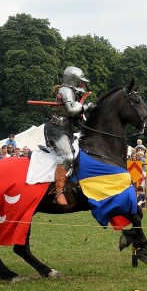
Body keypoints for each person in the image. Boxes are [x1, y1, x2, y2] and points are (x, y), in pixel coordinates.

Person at [44, 65, 94, 205]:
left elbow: (75, 116)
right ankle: (58, 192)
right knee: (67, 156)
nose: (82, 84)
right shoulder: (65, 91)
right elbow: (71, 110)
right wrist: (86, 106)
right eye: (80, 81)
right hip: (57, 129)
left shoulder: (72, 92)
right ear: (73, 79)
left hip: (66, 129)